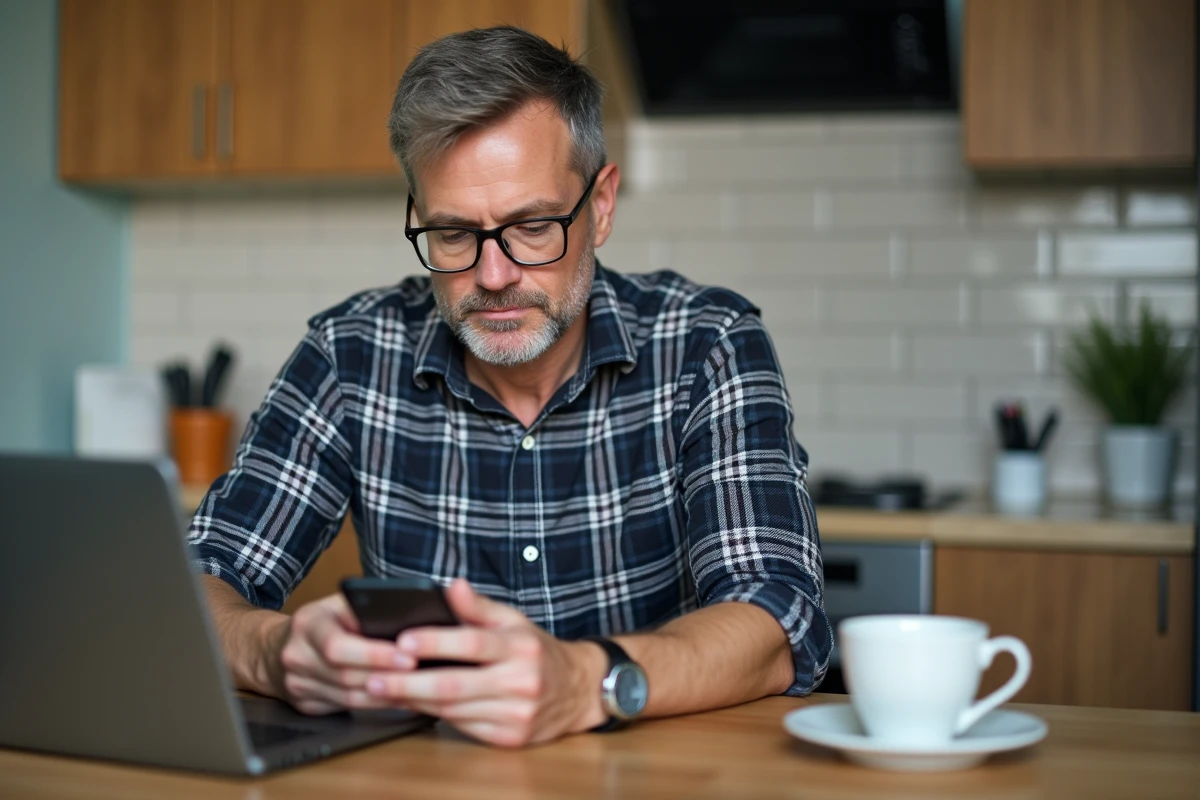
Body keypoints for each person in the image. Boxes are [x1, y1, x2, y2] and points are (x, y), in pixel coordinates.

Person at [189, 25, 829, 748]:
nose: (493, 277)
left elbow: (776, 620)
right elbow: (196, 581)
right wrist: (276, 652)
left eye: (532, 226)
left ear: (601, 205)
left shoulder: (707, 343)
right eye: (454, 234)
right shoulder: (348, 355)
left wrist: (584, 681)